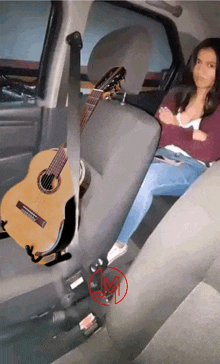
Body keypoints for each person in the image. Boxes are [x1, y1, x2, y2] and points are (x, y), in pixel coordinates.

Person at [107, 37, 220, 264]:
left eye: (210, 65)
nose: (200, 70)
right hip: (159, 154)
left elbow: (209, 151)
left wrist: (176, 127)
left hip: (194, 168)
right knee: (117, 164)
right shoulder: (176, 95)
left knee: (148, 177)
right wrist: (191, 135)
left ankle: (118, 243)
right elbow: (159, 134)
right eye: (198, 62)